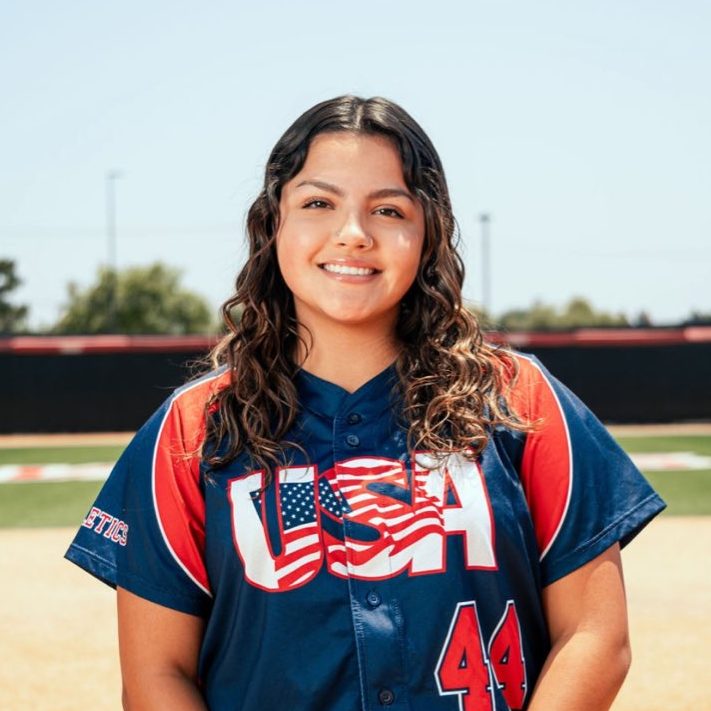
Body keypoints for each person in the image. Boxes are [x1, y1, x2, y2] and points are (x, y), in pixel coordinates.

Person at [65, 95, 665, 711]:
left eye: (388, 209)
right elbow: (156, 674)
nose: (353, 234)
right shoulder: (192, 427)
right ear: (273, 224)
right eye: (318, 203)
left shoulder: (520, 397)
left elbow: (595, 637)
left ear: (427, 232)